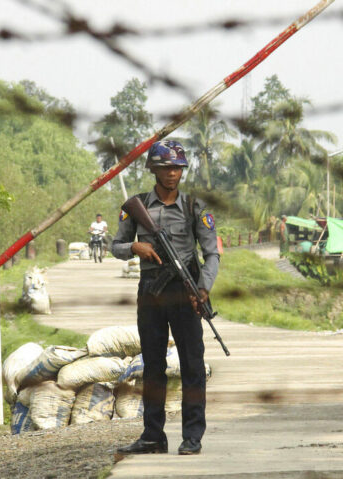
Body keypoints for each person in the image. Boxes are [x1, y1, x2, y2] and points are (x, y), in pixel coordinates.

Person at [112, 140, 219, 456]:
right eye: (166, 168)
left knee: (192, 366)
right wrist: (135, 247)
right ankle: (153, 436)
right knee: (153, 365)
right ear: (153, 170)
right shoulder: (137, 206)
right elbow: (115, 245)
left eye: (177, 168)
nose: (172, 173)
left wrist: (204, 288)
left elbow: (211, 253)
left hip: (186, 292)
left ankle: (192, 436)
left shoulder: (194, 207)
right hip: (150, 292)